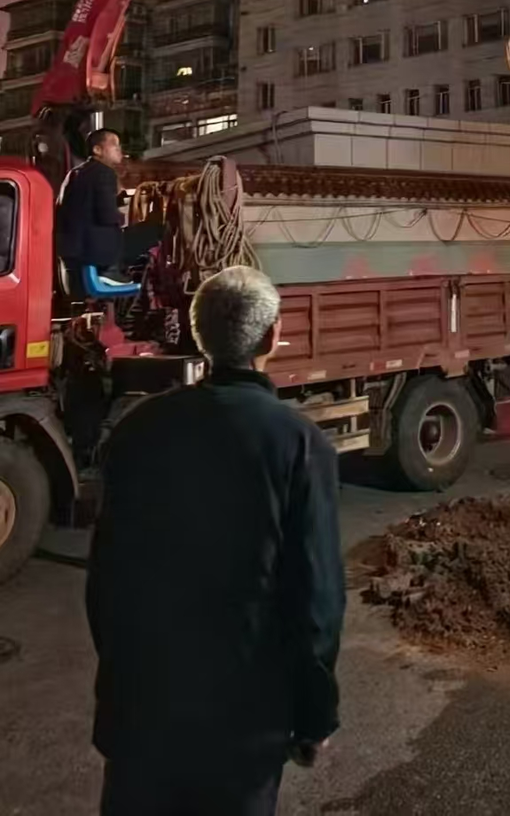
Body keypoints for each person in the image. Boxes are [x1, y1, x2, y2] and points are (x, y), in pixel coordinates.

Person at [86, 265, 345, 816]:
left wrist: (120, 684)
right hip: (243, 727)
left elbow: (105, 580)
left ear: (197, 332)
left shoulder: (137, 430)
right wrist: (314, 714)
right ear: (272, 337)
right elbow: (316, 600)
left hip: (141, 714)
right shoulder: (300, 445)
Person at [56, 127, 126, 278]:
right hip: (96, 254)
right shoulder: (104, 172)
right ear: (97, 150)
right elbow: (107, 216)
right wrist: (123, 217)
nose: (119, 149)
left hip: (72, 251)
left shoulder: (75, 172)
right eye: (114, 144)